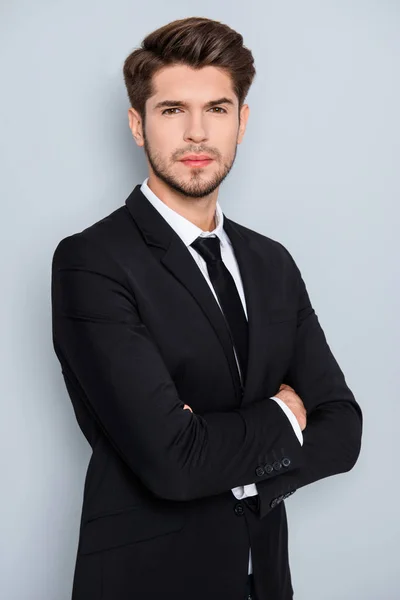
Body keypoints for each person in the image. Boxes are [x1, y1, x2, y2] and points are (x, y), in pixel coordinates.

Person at [51, 16, 363, 600]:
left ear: (241, 122)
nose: (196, 133)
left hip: (264, 582)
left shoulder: (272, 262)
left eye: (216, 109)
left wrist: (219, 450)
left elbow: (343, 430)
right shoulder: (91, 262)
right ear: (138, 125)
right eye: (172, 110)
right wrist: (284, 416)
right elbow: (174, 462)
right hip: (145, 583)